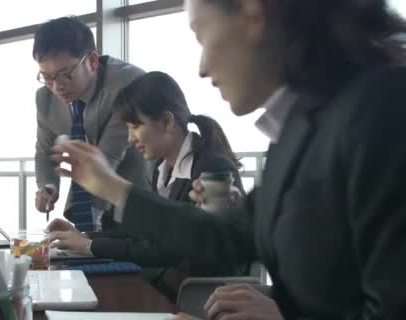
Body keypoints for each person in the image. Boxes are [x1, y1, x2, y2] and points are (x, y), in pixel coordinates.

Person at [51, 0, 406, 319]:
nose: (203, 67)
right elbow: (227, 233)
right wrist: (112, 188)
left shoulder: (383, 110)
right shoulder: (298, 129)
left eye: (201, 37)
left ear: (253, 14)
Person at [48, 71, 245, 301]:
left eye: (135, 126)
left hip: (199, 298)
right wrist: (84, 236)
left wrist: (90, 246)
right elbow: (146, 234)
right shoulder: (163, 168)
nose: (130, 138)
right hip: (168, 286)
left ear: (166, 122)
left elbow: (169, 250)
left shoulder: (213, 169)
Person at [33, 16, 152, 232]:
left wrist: (84, 232)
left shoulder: (127, 83)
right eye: (47, 76)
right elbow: (44, 151)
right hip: (96, 202)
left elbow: (108, 157)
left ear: (93, 61)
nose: (57, 86)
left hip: (136, 200)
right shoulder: (45, 98)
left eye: (65, 74)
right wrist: (48, 187)